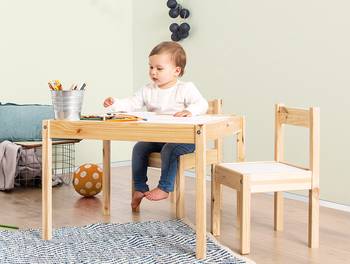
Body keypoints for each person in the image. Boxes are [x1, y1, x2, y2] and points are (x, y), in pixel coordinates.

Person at [103, 41, 208, 210]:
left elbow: (202, 104)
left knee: (170, 149)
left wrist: (190, 111)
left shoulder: (186, 88)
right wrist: (115, 103)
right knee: (139, 148)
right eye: (150, 67)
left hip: (184, 139)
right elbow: (131, 103)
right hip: (159, 138)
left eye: (159, 68)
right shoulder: (148, 90)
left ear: (176, 71)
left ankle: (165, 187)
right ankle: (139, 188)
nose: (153, 72)